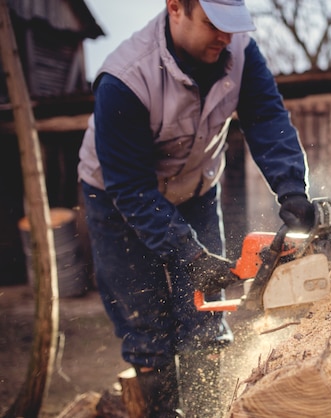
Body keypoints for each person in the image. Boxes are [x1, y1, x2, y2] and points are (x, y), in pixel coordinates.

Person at [77, 0, 315, 416]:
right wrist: (187, 254)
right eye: (212, 24)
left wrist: (292, 191)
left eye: (232, 26)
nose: (225, 37)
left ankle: (207, 410)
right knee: (145, 318)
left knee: (204, 317)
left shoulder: (239, 54)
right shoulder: (125, 79)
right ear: (175, 8)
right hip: (118, 197)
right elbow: (131, 188)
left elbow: (266, 119)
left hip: (194, 187)